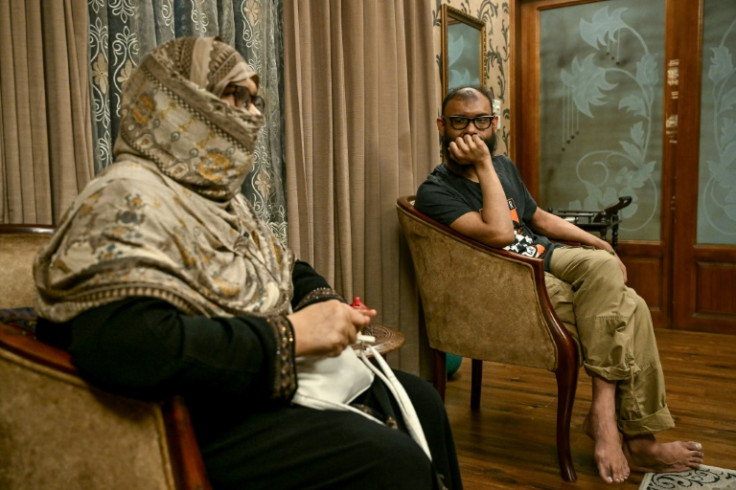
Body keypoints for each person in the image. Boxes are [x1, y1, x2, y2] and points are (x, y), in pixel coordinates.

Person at [33, 36, 462, 490]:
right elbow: (126, 345)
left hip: (241, 387)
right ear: (176, 101)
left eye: (255, 100)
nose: (254, 115)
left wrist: (328, 306)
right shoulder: (122, 198)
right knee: (389, 460)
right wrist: (292, 335)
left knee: (422, 399)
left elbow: (282, 268)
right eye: (235, 96)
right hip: (182, 417)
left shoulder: (217, 199)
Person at [414, 86, 704, 484]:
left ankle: (603, 410)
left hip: (544, 256)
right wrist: (482, 165)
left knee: (603, 267)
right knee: (630, 307)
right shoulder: (435, 191)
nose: (471, 131)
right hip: (509, 278)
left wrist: (596, 241)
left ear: (494, 123)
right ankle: (633, 434)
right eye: (459, 121)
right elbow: (499, 233)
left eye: (481, 121)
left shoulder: (503, 165)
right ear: (441, 126)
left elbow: (538, 217)